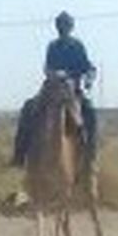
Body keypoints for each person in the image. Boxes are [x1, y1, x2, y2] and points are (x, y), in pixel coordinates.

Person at [12, 11, 99, 166]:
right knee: (28, 108)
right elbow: (47, 67)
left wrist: (88, 79)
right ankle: (20, 154)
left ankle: (89, 156)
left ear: (70, 27)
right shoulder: (52, 46)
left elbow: (88, 67)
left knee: (90, 113)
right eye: (60, 25)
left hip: (72, 89)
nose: (62, 28)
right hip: (51, 88)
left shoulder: (77, 46)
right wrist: (54, 73)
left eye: (65, 25)